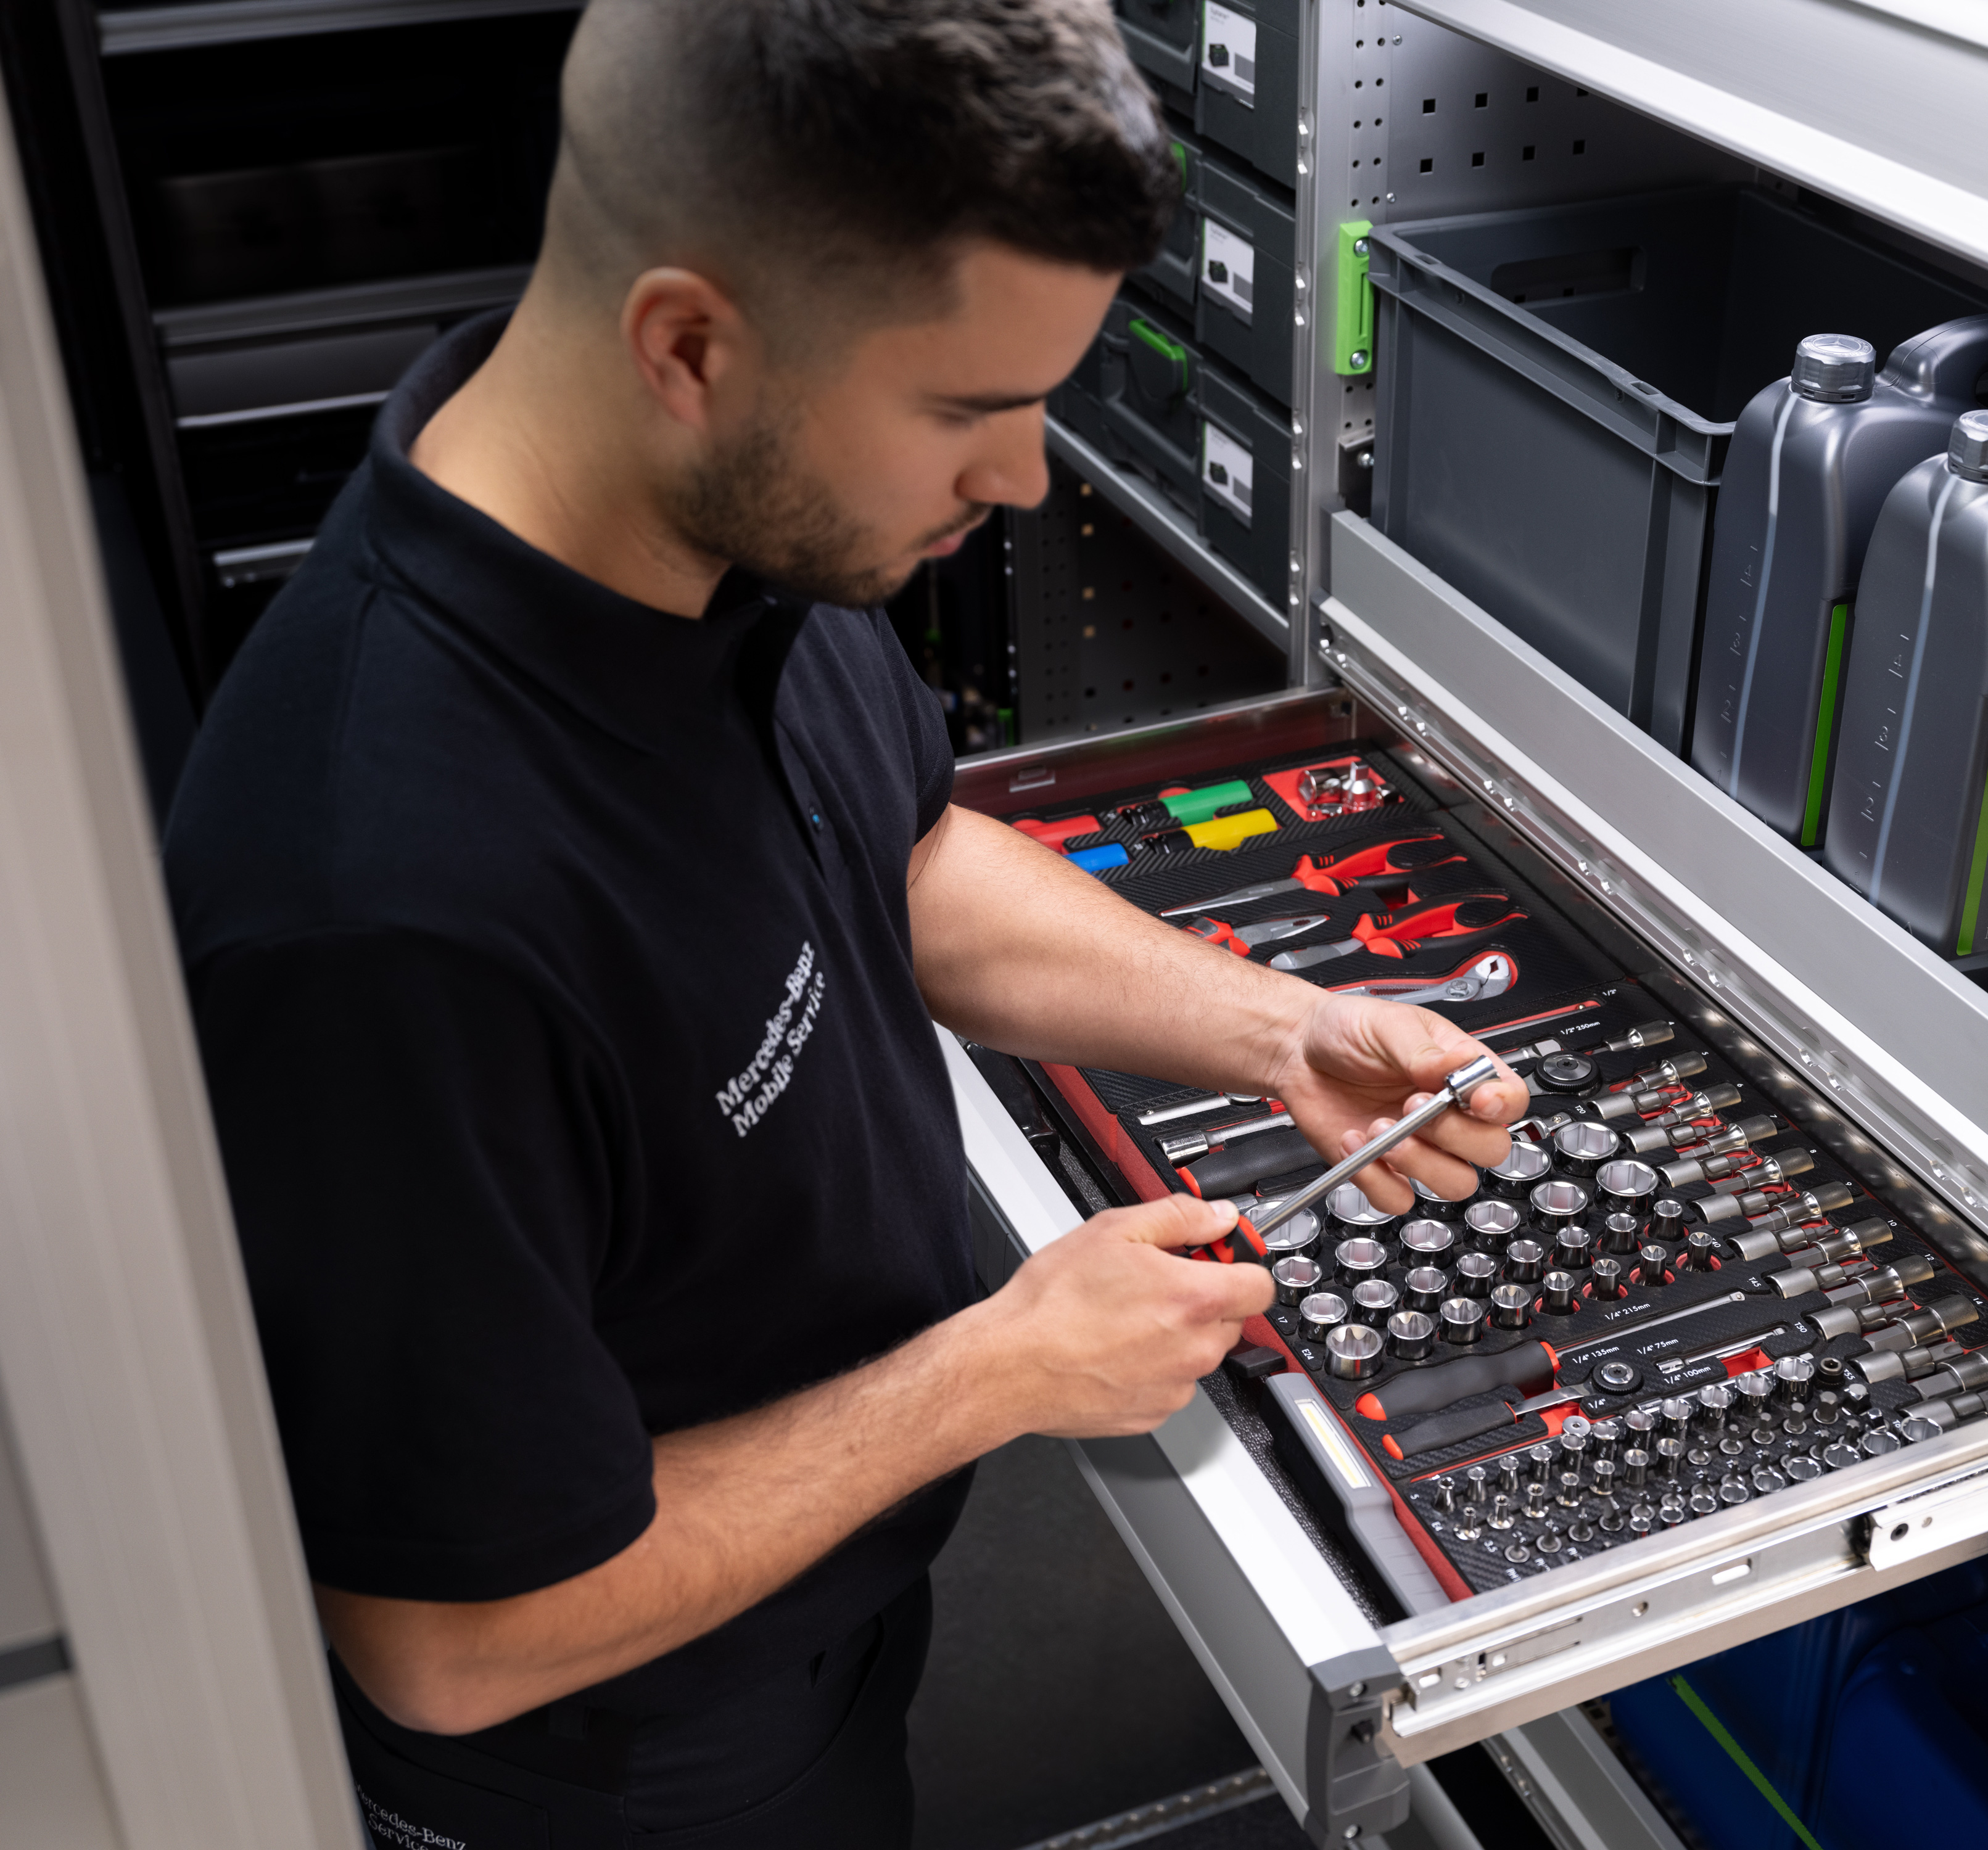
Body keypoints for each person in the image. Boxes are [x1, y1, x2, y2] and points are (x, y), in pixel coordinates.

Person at [164, 1, 1528, 1843]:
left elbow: (890, 853)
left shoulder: (710, 523)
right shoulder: (381, 919)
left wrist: (1274, 1030)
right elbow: (453, 1640)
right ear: (688, 344)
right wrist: (1005, 1367)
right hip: (622, 1769)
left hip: (827, 1643)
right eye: (969, 410)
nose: (1027, 481)